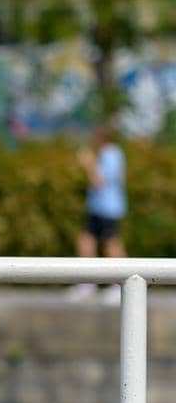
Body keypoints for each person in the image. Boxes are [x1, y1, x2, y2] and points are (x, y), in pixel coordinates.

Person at [69, 124, 127, 304]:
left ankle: (120, 285)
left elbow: (99, 182)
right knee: (86, 240)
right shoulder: (112, 154)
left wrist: (89, 164)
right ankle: (88, 284)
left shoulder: (110, 155)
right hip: (99, 208)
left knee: (111, 244)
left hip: (108, 208)